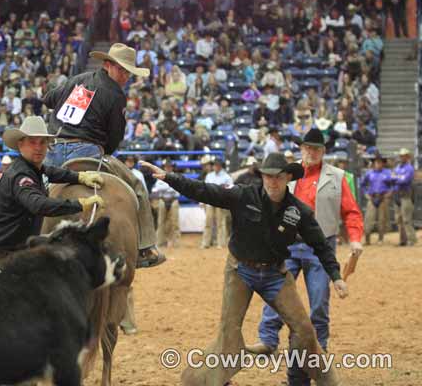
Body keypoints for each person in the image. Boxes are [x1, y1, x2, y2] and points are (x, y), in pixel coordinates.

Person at [140, 153, 347, 386]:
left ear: (288, 177)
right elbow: (206, 190)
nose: (272, 182)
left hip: (275, 274)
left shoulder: (298, 211)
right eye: (267, 176)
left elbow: (320, 244)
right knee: (229, 331)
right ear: (262, 177)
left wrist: (336, 276)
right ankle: (210, 380)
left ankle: (310, 380)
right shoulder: (243, 195)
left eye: (278, 177)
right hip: (240, 271)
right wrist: (170, 178)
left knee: (304, 330)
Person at [247, 129, 364, 385]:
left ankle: (317, 350)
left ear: (324, 151)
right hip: (286, 244)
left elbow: (352, 212)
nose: (311, 152)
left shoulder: (338, 177)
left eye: (316, 148)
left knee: (319, 301)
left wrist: (355, 237)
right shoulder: (285, 175)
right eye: (307, 148)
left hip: (321, 246)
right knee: (275, 291)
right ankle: (268, 339)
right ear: (301, 149)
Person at [43, 42, 163, 268]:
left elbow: (49, 99)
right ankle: (145, 248)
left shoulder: (77, 81)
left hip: (54, 151)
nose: (125, 75)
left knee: (30, 190)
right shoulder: (115, 94)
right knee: (136, 185)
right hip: (88, 150)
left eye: (128, 71)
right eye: (122, 69)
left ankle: (11, 242)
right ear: (108, 65)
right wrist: (103, 151)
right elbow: (115, 137)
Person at [0, 116, 105, 274]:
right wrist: (79, 204)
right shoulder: (20, 176)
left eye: (42, 142)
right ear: (21, 144)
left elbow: (51, 172)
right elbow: (38, 205)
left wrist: (79, 176)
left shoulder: (33, 168)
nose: (38, 147)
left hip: (15, 250)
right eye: (32, 141)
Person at [201, 158, 233, 249]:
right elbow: (205, 189)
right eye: (215, 165)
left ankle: (220, 243)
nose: (216, 166)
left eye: (218, 165)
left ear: (221, 166)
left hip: (220, 201)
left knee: (220, 223)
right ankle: (205, 243)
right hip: (210, 200)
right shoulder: (209, 176)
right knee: (208, 222)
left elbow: (231, 189)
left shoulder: (226, 177)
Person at [361, 154, 392, 245]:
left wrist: (390, 192)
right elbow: (362, 184)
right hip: (372, 197)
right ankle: (367, 239)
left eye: (380, 162)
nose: (378, 164)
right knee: (368, 218)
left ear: (383, 163)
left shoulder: (388, 173)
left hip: (383, 197)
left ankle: (380, 239)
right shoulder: (369, 173)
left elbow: (393, 183)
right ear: (374, 163)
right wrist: (366, 194)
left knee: (382, 219)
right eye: (376, 162)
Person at [151, 159, 181, 249]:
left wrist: (163, 190)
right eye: (166, 166)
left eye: (169, 166)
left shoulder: (176, 176)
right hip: (163, 200)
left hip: (173, 200)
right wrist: (167, 190)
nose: (168, 168)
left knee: (175, 222)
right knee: (161, 222)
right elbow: (155, 191)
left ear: (172, 167)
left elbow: (177, 192)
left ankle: (175, 243)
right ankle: (160, 242)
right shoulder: (160, 176)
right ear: (164, 167)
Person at [391, 148, 416, 246]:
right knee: (399, 219)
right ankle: (403, 240)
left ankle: (411, 239)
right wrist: (398, 178)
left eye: (404, 156)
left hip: (405, 195)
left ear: (408, 157)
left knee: (406, 219)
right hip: (397, 195)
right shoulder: (398, 167)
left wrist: (396, 178)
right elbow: (391, 178)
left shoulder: (409, 168)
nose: (402, 157)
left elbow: (405, 180)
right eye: (401, 156)